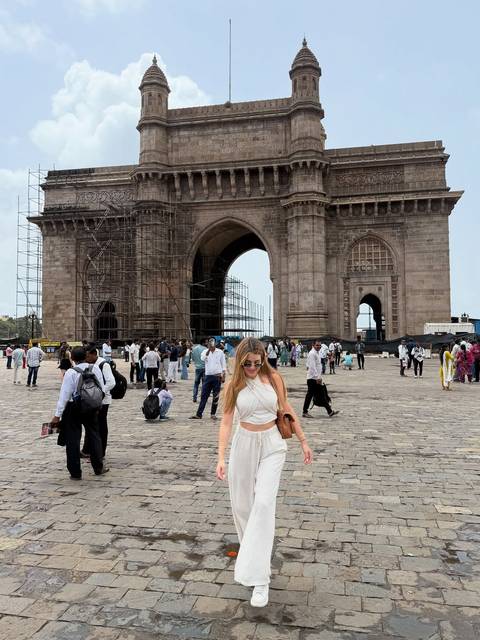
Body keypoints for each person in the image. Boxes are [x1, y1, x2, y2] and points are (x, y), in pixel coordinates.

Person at [216, 337, 313, 608]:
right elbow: (226, 422)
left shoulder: (274, 379)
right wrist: (221, 456)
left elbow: (287, 409)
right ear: (239, 362)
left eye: (257, 363)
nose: (252, 368)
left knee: (263, 504)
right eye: (247, 364)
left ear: (263, 359)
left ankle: (260, 579)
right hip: (244, 445)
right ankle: (254, 557)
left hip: (272, 444)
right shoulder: (233, 384)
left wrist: (303, 440)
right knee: (243, 507)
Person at [50, 346, 108, 480]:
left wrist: (57, 415)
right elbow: (102, 388)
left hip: (74, 407)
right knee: (94, 435)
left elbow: (64, 395)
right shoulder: (95, 368)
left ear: (73, 359)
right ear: (86, 356)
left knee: (73, 439)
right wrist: (98, 404)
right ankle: (98, 467)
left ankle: (75, 472)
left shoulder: (70, 372)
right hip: (91, 407)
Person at [82, 346, 116, 458]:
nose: (86, 358)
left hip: (103, 400)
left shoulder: (103, 364)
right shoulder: (90, 364)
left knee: (101, 425)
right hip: (93, 399)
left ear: (93, 354)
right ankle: (87, 450)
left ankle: (101, 452)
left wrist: (100, 393)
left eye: (87, 356)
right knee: (90, 424)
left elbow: (111, 382)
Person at [190, 337, 226, 420]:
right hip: (208, 376)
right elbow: (203, 359)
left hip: (217, 376)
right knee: (204, 395)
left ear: (215, 342)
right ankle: (199, 414)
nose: (211, 343)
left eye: (212, 341)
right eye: (209, 342)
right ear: (207, 343)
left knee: (216, 396)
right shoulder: (204, 351)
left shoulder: (220, 352)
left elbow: (223, 365)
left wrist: (224, 375)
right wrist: (209, 350)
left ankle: (213, 414)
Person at [303, 340, 338, 418]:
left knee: (322, 394)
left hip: (316, 378)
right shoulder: (312, 354)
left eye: (319, 345)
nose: (318, 347)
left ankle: (330, 411)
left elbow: (311, 365)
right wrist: (317, 377)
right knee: (311, 395)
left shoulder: (316, 353)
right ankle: (305, 411)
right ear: (313, 345)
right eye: (317, 345)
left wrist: (319, 377)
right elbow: (312, 367)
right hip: (313, 379)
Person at [191, 338, 207, 402]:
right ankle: (203, 398)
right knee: (204, 384)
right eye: (206, 342)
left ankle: (194, 397)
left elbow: (193, 358)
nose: (207, 343)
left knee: (196, 384)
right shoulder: (206, 349)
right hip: (204, 368)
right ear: (203, 343)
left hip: (197, 368)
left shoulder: (194, 349)